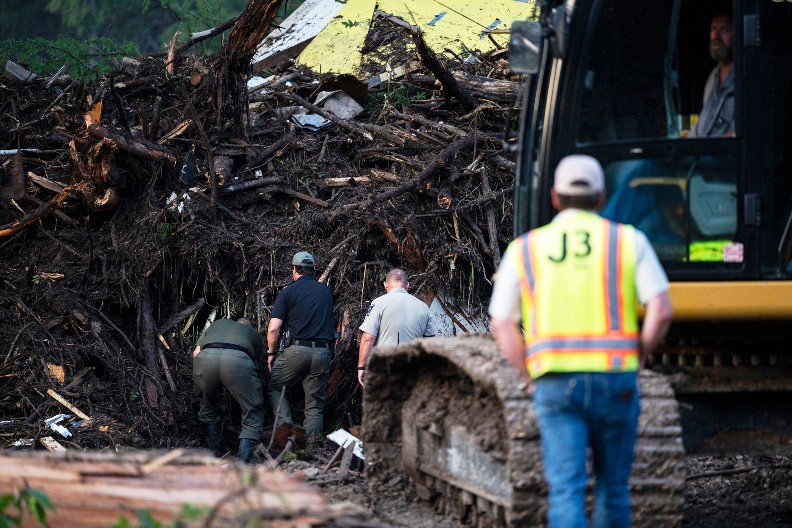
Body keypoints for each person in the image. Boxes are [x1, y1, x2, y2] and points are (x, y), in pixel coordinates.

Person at [489, 155, 673, 528]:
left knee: (567, 490)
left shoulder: (525, 249)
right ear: (602, 197)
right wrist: (638, 355)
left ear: (554, 197)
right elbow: (662, 310)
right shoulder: (628, 241)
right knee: (614, 489)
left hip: (556, 385)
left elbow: (502, 323)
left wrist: (527, 375)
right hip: (615, 380)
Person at [266, 251, 334, 440]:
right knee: (314, 405)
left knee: (275, 387)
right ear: (313, 270)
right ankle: (311, 448)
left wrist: (271, 353)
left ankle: (286, 435)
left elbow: (274, 329)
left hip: (297, 351)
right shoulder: (326, 292)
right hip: (322, 352)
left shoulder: (287, 292)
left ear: (294, 270)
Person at [192, 316, 264, 464]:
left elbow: (195, 354)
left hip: (205, 360)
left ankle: (214, 457)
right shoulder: (253, 334)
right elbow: (255, 367)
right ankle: (246, 464)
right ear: (250, 327)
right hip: (237, 361)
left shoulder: (216, 324)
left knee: (208, 406)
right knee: (253, 411)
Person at [356, 268, 437, 386]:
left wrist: (361, 367)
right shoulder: (423, 307)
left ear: (385, 285)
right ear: (408, 285)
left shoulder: (379, 303)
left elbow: (368, 338)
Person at [689, 11, 734, 137]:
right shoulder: (713, 77)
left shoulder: (746, 77)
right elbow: (702, 126)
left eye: (724, 30)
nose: (716, 37)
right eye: (714, 29)